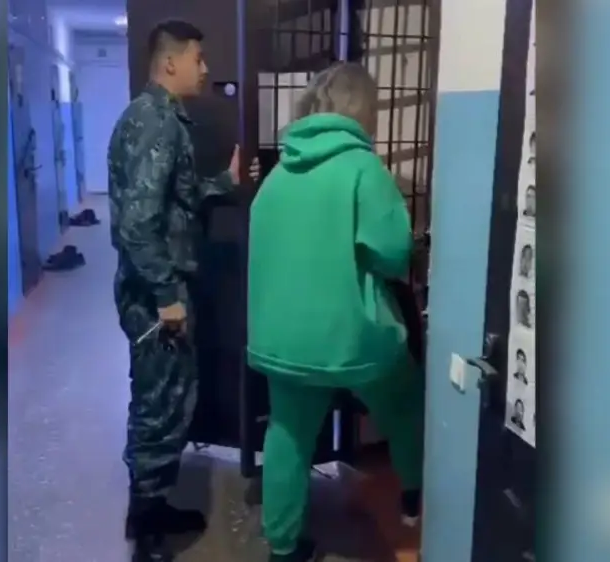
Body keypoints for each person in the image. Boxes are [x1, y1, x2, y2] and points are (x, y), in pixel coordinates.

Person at [246, 62, 424, 562]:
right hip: (352, 337)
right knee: (406, 405)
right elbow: (393, 252)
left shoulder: (279, 173)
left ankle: (283, 548)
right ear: (364, 109)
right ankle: (413, 497)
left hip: (282, 339)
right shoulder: (363, 169)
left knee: (287, 436)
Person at [107, 19, 257, 561]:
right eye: (198, 58)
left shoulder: (159, 118)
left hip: (156, 288)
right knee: (158, 406)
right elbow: (137, 225)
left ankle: (151, 508)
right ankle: (146, 531)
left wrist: (225, 182)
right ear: (171, 62)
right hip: (156, 296)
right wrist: (168, 294)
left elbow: (177, 197)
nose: (206, 68)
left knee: (166, 400)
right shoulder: (156, 123)